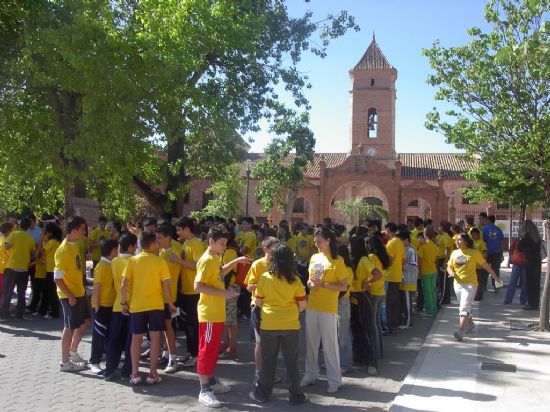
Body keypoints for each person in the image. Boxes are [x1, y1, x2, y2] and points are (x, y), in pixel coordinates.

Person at [193, 225, 250, 408]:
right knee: (207, 350)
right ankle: (204, 389)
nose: (225, 246)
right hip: (209, 313)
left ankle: (210, 381)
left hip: (215, 313)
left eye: (225, 243)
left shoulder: (215, 257)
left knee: (212, 349)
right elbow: (198, 286)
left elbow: (219, 273)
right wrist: (223, 294)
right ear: (211, 242)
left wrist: (236, 261)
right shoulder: (207, 259)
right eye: (222, 243)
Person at [249, 244, 308, 404]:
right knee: (292, 362)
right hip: (291, 325)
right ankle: (296, 396)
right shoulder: (296, 280)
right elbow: (303, 306)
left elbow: (259, 302)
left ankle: (262, 394)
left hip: (269, 325)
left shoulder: (265, 278)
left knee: (268, 362)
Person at [121, 232, 175, 385]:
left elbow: (123, 284)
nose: (157, 245)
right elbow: (166, 284)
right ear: (151, 245)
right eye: (156, 243)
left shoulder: (132, 261)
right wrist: (170, 303)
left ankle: (135, 374)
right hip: (156, 305)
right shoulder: (159, 261)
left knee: (136, 339)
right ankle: (152, 374)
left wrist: (123, 303)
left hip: (137, 306)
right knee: (155, 338)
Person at [301, 226, 348, 394]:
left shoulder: (337, 260)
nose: (317, 244)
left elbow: (344, 286)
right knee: (311, 343)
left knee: (330, 345)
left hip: (328, 308)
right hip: (312, 305)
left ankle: (335, 379)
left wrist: (325, 285)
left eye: (319, 242)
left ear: (328, 241)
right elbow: (309, 280)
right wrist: (311, 284)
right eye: (315, 242)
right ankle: (311, 373)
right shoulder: (314, 258)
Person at [447, 233, 501, 342]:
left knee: (464, 307)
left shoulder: (474, 253)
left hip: (470, 285)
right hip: (457, 284)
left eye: (460, 240)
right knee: (464, 307)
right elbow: (449, 266)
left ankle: (460, 332)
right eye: (456, 240)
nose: (457, 242)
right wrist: (451, 272)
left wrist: (495, 277)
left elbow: (485, 265)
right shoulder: (454, 253)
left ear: (466, 241)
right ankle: (470, 323)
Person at [54, 216, 91, 371]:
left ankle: (73, 352)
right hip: (69, 295)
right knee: (69, 327)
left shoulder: (76, 244)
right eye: (83, 229)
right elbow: (57, 279)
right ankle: (65, 362)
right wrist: (70, 296)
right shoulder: (63, 250)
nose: (85, 232)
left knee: (86, 321)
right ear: (74, 230)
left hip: (79, 291)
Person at [244, 236, 280, 384]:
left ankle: (269, 372)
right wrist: (263, 283)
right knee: (260, 342)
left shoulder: (279, 264)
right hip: (259, 307)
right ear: (266, 248)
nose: (277, 250)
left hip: (275, 307)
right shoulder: (258, 264)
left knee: (273, 343)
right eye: (274, 247)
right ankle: (259, 374)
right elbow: (249, 286)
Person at [104, 231, 137, 381]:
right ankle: (127, 371)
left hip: (118, 305)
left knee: (114, 339)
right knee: (131, 340)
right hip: (132, 306)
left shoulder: (115, 261)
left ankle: (109, 369)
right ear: (130, 247)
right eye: (135, 246)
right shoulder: (135, 262)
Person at [175, 217, 206, 367]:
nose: (177, 232)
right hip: (185, 289)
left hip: (195, 291)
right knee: (188, 324)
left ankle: (196, 354)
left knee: (194, 324)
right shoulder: (186, 243)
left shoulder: (197, 244)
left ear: (187, 229)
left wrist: (178, 261)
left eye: (179, 229)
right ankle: (190, 351)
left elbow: (196, 266)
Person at [156, 225, 183, 373]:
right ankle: (165, 353)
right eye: (157, 237)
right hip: (158, 296)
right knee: (160, 328)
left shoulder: (174, 254)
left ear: (168, 237)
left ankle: (173, 358)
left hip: (168, 297)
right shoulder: (160, 253)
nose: (157, 240)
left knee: (168, 327)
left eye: (160, 237)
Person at [89, 238, 118, 374]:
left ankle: (107, 357)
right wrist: (96, 305)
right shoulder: (101, 266)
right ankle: (94, 361)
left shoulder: (113, 264)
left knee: (108, 334)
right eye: (117, 249)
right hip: (102, 305)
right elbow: (97, 287)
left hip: (112, 305)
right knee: (99, 334)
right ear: (113, 250)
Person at [1, 217, 36, 320]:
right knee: (21, 292)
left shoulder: (13, 234)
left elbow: (6, 246)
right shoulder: (30, 238)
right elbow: (33, 253)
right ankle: (19, 314)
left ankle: (4, 314)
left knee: (8, 291)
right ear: (29, 227)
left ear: (19, 225)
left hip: (11, 267)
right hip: (24, 268)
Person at [36, 222, 62, 318]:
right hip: (50, 269)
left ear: (50, 233)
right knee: (47, 291)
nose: (44, 234)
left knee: (52, 292)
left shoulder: (52, 242)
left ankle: (54, 312)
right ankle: (43, 310)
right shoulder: (55, 242)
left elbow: (40, 251)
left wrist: (41, 239)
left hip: (52, 270)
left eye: (45, 232)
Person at [383, 222, 405, 333]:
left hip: (389, 276)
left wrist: (384, 266)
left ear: (388, 230)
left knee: (388, 303)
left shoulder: (391, 243)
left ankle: (390, 326)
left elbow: (390, 259)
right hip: (397, 275)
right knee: (395, 302)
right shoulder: (400, 242)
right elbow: (403, 259)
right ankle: (395, 324)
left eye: (385, 230)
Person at [336, 244, 354, 374]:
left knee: (343, 334)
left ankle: (345, 364)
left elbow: (344, 289)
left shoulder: (348, 269)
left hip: (342, 302)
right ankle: (335, 362)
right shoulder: (338, 267)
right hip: (334, 302)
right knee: (334, 335)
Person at [418, 228, 439, 316]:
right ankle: (434, 309)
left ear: (424, 234)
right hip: (433, 270)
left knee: (427, 292)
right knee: (432, 291)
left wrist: (418, 270)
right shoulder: (435, 246)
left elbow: (420, 261)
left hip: (425, 271)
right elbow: (436, 259)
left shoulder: (423, 247)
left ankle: (429, 311)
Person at [522, 220, 543, 310]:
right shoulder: (537, 236)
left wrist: (522, 238)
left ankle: (531, 304)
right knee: (536, 284)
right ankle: (536, 303)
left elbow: (519, 247)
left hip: (530, 263)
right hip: (537, 262)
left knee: (530, 284)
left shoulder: (527, 237)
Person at [504, 228, 528, 305]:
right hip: (517, 263)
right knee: (513, 282)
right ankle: (508, 299)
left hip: (525, 263)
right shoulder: (517, 240)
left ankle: (523, 300)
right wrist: (512, 257)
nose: (522, 233)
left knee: (524, 283)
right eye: (521, 231)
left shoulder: (528, 241)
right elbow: (511, 249)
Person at [399, 231, 417, 328]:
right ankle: (406, 321)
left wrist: (401, 265)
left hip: (408, 280)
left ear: (406, 240)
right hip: (403, 279)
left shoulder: (410, 250)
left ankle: (408, 323)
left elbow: (413, 266)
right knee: (405, 302)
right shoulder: (404, 248)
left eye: (402, 240)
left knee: (408, 302)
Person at [482, 215, 504, 291]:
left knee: (485, 270)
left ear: (488, 220)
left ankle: (483, 286)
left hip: (487, 253)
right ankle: (497, 287)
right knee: (496, 270)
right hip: (497, 252)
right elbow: (501, 242)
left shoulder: (484, 229)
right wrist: (502, 253)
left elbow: (483, 241)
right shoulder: (498, 229)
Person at [470, 228, 488, 301]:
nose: (473, 236)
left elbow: (485, 252)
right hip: (472, 265)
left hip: (479, 266)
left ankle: (479, 296)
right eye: (472, 235)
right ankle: (474, 295)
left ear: (478, 234)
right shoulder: (472, 242)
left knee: (479, 281)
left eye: (474, 234)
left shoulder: (482, 243)